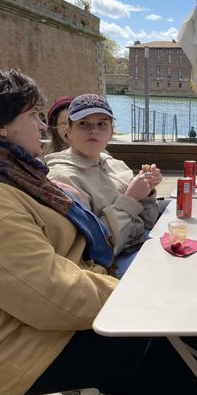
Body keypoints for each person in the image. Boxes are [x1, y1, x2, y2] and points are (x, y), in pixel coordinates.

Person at [0, 69, 197, 395]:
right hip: (11, 348)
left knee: (189, 334)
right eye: (33, 115)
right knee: (184, 350)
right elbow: (50, 295)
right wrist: (141, 296)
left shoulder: (7, 176)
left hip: (40, 323)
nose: (43, 125)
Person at [46, 94, 162, 276]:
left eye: (102, 124)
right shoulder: (63, 178)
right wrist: (131, 198)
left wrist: (147, 190)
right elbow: (95, 248)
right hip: (113, 265)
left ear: (111, 132)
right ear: (67, 131)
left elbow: (148, 220)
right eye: (83, 123)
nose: (94, 130)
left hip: (144, 242)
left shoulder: (115, 164)